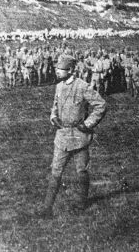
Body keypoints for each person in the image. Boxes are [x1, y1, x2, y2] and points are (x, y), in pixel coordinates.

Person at [37, 55, 107, 219]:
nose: (57, 72)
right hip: (62, 136)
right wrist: (53, 117)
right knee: (55, 170)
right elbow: (55, 106)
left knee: (81, 170)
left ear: (70, 70)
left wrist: (88, 124)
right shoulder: (59, 86)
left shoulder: (82, 86)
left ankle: (81, 203)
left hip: (79, 137)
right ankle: (47, 208)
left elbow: (101, 105)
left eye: (60, 69)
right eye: (57, 69)